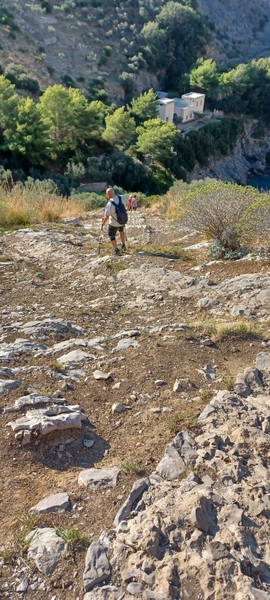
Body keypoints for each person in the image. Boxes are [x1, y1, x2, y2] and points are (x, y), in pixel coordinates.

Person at [101, 187, 129, 255]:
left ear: (108, 195)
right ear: (114, 192)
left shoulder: (110, 203)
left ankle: (116, 250)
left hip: (113, 223)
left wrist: (103, 224)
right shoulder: (122, 197)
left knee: (111, 236)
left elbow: (107, 216)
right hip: (122, 221)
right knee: (121, 231)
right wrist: (125, 211)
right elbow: (129, 205)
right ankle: (123, 245)